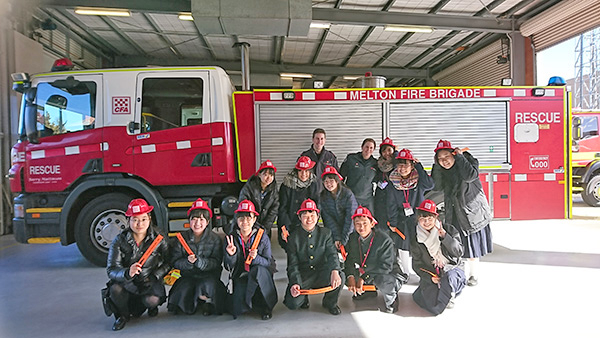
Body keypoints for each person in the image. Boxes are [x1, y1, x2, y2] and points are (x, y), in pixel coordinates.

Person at [431, 140, 493, 287]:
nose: (444, 161)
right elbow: (437, 186)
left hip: (471, 213)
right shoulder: (443, 171)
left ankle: (473, 275)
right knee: (456, 245)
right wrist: (437, 167)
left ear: (454, 154)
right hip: (454, 213)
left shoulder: (468, 163)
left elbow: (470, 176)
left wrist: (460, 157)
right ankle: (459, 272)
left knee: (471, 246)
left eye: (447, 156)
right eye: (440, 159)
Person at [105, 199, 169, 331]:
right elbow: (111, 269)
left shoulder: (158, 238)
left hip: (149, 281)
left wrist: (156, 275)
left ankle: (151, 307)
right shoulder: (119, 241)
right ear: (128, 220)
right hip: (126, 282)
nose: (139, 224)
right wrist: (127, 273)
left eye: (143, 219)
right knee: (115, 289)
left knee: (152, 300)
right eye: (135, 220)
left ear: (149, 219)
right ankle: (122, 315)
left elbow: (169, 261)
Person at [284, 199, 344, 315]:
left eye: (312, 215)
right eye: (305, 216)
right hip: (304, 275)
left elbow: (332, 254)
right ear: (300, 217)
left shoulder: (326, 233)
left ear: (317, 216)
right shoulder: (293, 238)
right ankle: (303, 298)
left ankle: (330, 303)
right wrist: (295, 283)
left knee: (340, 276)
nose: (309, 219)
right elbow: (292, 264)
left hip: (322, 272)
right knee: (292, 303)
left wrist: (334, 271)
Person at [167, 198, 226, 316]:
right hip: (188, 276)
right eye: (194, 219)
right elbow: (175, 261)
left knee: (206, 287)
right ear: (189, 221)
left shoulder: (215, 239)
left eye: (201, 219)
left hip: (208, 276)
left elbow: (217, 262)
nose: (197, 223)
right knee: (183, 293)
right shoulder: (181, 238)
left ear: (208, 222)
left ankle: (205, 301)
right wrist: (187, 263)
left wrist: (201, 262)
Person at [345, 206, 406, 313]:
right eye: (358, 224)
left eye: (365, 223)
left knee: (383, 281)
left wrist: (363, 278)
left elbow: (386, 267)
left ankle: (392, 299)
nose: (361, 227)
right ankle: (369, 292)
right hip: (368, 271)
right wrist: (350, 277)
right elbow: (349, 260)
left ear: (372, 224)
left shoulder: (384, 240)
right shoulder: (353, 238)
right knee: (342, 275)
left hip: (388, 273)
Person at [223, 200, 278, 320]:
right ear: (237, 220)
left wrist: (256, 258)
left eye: (249, 218)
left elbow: (268, 262)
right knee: (237, 310)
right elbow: (228, 267)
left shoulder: (262, 236)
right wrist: (231, 255)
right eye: (241, 218)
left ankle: (266, 307)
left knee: (258, 270)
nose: (245, 222)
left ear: (254, 220)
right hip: (242, 274)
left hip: (261, 274)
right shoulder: (231, 238)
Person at [411, 199, 466, 315]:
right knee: (432, 304)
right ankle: (443, 292)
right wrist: (429, 278)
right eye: (423, 219)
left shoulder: (448, 229)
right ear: (418, 220)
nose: (427, 222)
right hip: (433, 273)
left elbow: (459, 252)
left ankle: (450, 293)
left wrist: (446, 237)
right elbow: (416, 265)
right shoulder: (416, 238)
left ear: (436, 218)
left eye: (430, 219)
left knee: (449, 278)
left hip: (452, 269)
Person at [387, 148, 434, 275]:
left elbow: (430, 185)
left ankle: (422, 271)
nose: (402, 168)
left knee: (420, 243)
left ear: (412, 165)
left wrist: (419, 166)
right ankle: (406, 272)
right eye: (400, 165)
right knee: (403, 244)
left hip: (419, 218)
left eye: (406, 164)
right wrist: (393, 222)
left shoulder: (419, 179)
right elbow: (391, 203)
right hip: (402, 218)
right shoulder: (393, 180)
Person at [278, 156, 320, 251]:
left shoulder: (314, 183)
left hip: (307, 223)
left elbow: (317, 206)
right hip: (290, 223)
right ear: (296, 171)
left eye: (306, 171)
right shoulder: (287, 184)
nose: (304, 174)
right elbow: (282, 208)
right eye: (301, 171)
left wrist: (312, 223)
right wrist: (285, 228)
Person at [236, 160, 279, 236]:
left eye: (271, 175)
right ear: (259, 175)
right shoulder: (249, 187)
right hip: (249, 225)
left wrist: (265, 228)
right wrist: (252, 225)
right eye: (265, 174)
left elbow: (274, 210)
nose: (268, 178)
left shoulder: (274, 190)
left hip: (265, 227)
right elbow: (243, 206)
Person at [320, 165, 358, 249]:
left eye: (331, 181)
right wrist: (337, 237)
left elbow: (351, 218)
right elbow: (328, 219)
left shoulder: (347, 194)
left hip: (351, 232)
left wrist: (344, 239)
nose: (328, 184)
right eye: (326, 182)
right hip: (336, 232)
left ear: (337, 181)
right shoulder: (323, 197)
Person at [339, 138, 378, 211]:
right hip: (352, 197)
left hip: (367, 200)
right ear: (362, 147)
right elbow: (341, 177)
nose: (368, 150)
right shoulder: (351, 159)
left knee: (368, 221)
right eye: (366, 147)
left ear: (373, 150)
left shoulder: (375, 163)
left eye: (371, 148)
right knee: (350, 220)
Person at [373, 137, 398, 232]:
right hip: (380, 197)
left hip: (394, 198)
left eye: (389, 150)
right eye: (384, 151)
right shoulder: (378, 164)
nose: (387, 153)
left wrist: (396, 154)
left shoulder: (397, 163)